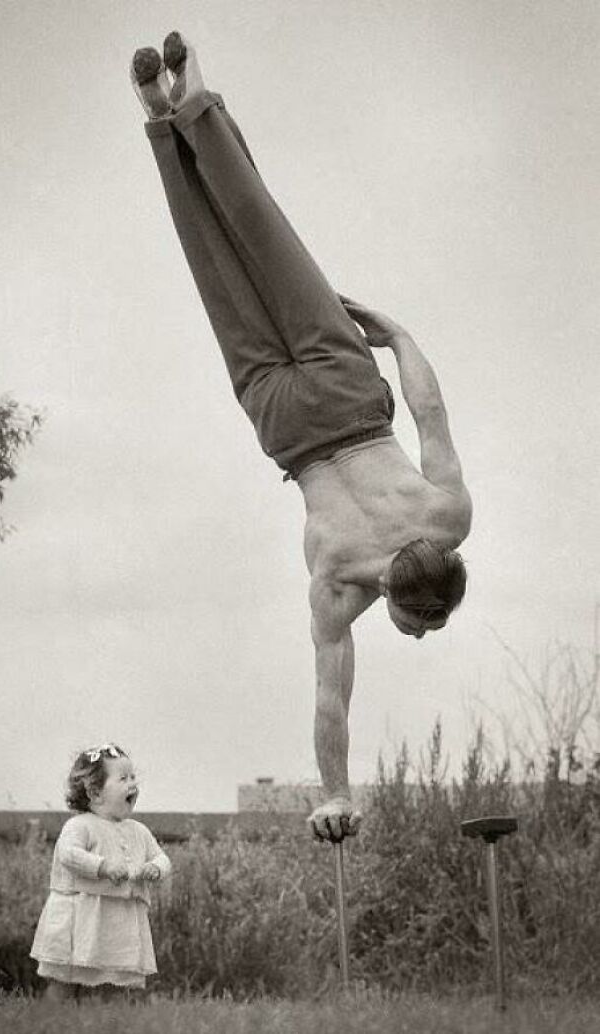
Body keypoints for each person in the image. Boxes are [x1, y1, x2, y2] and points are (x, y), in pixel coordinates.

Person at [130, 34, 472, 844]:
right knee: (214, 263)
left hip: (350, 394)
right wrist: (336, 794)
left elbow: (429, 411)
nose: (419, 636)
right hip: (287, 423)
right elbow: (330, 698)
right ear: (393, 595)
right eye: (424, 626)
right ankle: (158, 118)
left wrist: (398, 334)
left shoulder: (450, 518)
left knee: (261, 232)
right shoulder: (339, 589)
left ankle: (193, 100)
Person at [30, 743, 171, 1000]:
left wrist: (155, 868)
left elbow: (162, 857)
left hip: (117, 920)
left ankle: (107, 1021)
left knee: (115, 978)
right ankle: (53, 1019)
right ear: (95, 793)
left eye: (133, 777)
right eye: (123, 778)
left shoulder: (138, 830)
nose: (132, 784)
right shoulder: (80, 825)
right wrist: (102, 866)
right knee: (65, 977)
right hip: (81, 916)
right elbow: (68, 854)